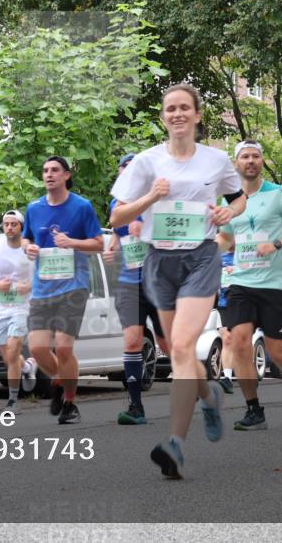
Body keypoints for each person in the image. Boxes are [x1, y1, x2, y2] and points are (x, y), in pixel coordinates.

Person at [111, 83, 246, 479]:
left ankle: (175, 443)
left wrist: (228, 213)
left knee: (184, 345)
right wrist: (150, 197)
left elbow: (238, 198)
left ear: (197, 114)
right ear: (163, 117)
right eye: (170, 109)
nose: (177, 114)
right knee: (180, 355)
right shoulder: (146, 162)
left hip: (201, 259)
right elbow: (118, 217)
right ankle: (208, 397)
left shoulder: (217, 160)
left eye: (185, 107)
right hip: (158, 262)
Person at [216, 140, 282, 430]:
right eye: (244, 156)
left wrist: (277, 243)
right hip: (240, 282)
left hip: (274, 284)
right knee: (241, 342)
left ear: (261, 161)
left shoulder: (278, 194)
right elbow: (226, 238)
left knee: (278, 350)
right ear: (236, 164)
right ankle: (253, 410)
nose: (250, 160)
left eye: (255, 156)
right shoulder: (229, 202)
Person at [23, 156, 104, 425]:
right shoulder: (34, 208)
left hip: (74, 286)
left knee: (65, 349)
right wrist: (28, 247)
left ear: (66, 175)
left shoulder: (82, 207)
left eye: (55, 170)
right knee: (37, 349)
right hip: (43, 287)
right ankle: (61, 382)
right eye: (45, 170)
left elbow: (99, 244)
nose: (49, 175)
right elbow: (26, 238)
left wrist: (72, 242)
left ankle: (69, 401)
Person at [103, 153, 169, 425]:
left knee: (169, 343)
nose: (128, 174)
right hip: (130, 283)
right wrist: (113, 249)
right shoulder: (116, 205)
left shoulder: (159, 199)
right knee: (132, 341)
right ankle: (135, 406)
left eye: (133, 169)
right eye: (124, 170)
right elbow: (119, 237)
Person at [0, 210, 36, 412]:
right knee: (8, 357)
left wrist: (28, 286)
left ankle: (13, 400)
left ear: (21, 226)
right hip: (0, 308)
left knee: (13, 349)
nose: (10, 228)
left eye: (14, 224)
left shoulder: (29, 250)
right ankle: (28, 368)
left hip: (22, 307)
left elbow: (41, 275)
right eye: (6, 224)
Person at [216, 249, 236, 394]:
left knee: (243, 341)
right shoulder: (218, 256)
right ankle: (227, 378)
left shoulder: (244, 255)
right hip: (224, 303)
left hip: (243, 303)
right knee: (227, 339)